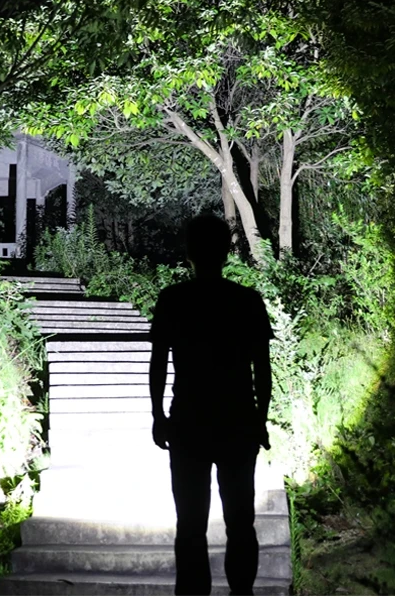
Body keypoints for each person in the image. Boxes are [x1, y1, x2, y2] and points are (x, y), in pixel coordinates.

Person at [149, 214, 273, 596]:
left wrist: (158, 415)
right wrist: (260, 419)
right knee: (240, 521)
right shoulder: (247, 301)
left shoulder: (173, 300)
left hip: (189, 422)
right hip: (237, 421)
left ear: (189, 252)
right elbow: (262, 369)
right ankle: (242, 592)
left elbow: (158, 363)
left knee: (190, 524)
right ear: (226, 252)